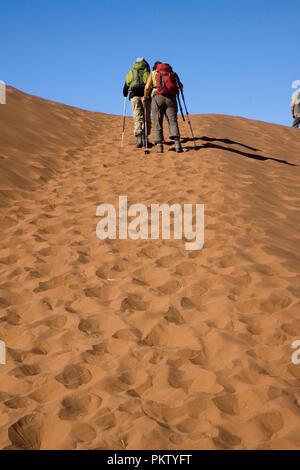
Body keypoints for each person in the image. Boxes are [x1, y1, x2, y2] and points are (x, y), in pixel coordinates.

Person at [143, 61, 183, 153]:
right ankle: (177, 145)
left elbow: (147, 87)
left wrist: (145, 97)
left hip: (157, 98)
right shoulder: (172, 73)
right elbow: (180, 86)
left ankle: (159, 146)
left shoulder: (153, 73)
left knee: (157, 120)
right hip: (171, 99)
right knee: (173, 120)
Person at [123, 58, 152, 148]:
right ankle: (145, 138)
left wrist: (125, 93)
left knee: (137, 116)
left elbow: (126, 85)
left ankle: (139, 138)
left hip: (134, 96)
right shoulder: (146, 72)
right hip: (145, 96)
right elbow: (149, 84)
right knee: (146, 117)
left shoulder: (131, 72)